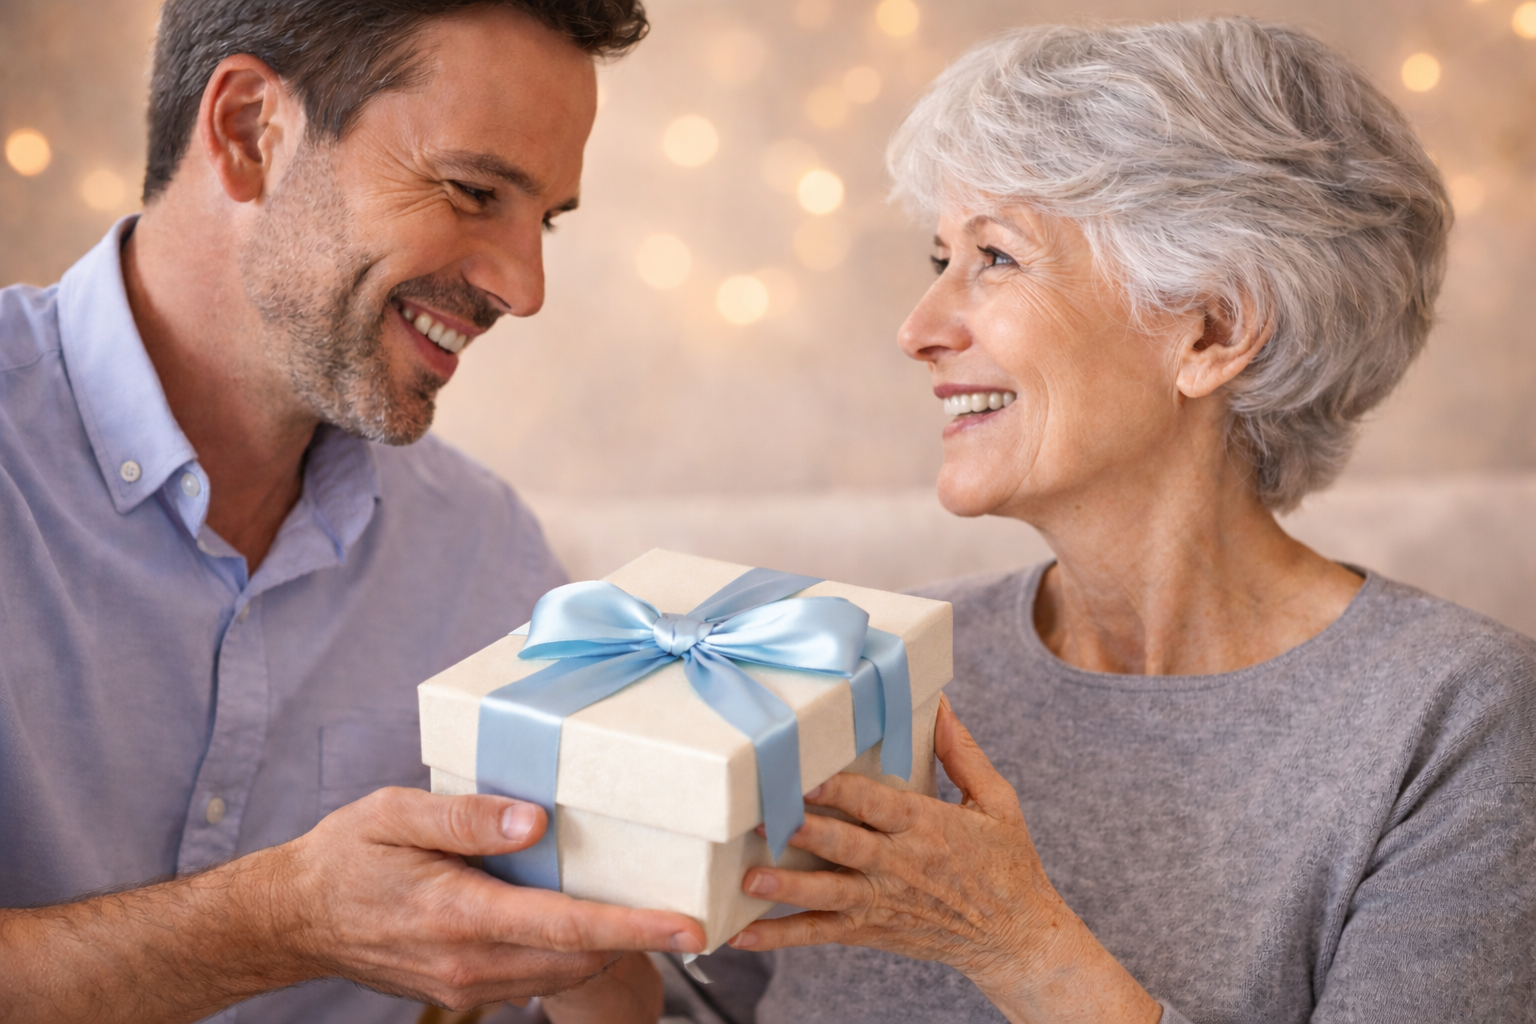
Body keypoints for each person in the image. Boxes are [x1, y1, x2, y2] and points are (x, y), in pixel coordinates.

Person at [704, 18, 1536, 1024]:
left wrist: (1017, 943)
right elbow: (725, 1000)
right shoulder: (874, 661)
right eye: (941, 255)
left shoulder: (1455, 720)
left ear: (1212, 330)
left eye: (997, 258)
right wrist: (585, 980)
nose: (919, 328)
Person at [0, 1, 706, 1021]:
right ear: (251, 132)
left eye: (542, 219)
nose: (526, 285)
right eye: (472, 191)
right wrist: (284, 920)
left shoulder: (484, 555)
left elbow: (605, 978)